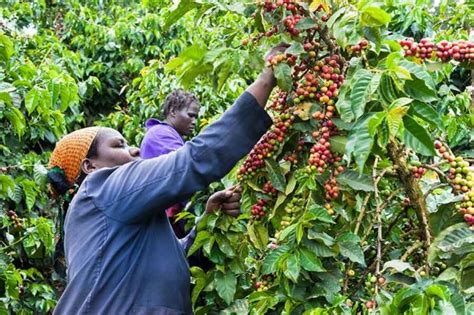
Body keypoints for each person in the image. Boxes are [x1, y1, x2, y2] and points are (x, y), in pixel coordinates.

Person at [47, 47, 281, 314]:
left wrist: (206, 221)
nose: (135, 149)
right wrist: (266, 80)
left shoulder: (123, 212)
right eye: (119, 145)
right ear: (90, 166)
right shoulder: (101, 188)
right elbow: (191, 162)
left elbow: (173, 261)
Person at [140, 89, 200, 238]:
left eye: (196, 117)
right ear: (173, 111)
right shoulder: (160, 134)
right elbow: (187, 165)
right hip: (164, 220)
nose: (194, 121)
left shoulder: (169, 134)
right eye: (190, 115)